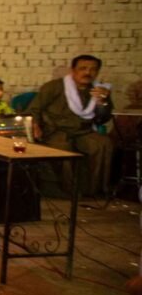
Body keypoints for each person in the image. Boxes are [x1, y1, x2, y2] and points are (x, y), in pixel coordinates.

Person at [28, 54, 114, 197]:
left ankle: (92, 191)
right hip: (55, 131)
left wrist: (103, 103)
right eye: (83, 68)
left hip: (83, 131)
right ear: (73, 70)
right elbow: (34, 109)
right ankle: (66, 192)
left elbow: (102, 119)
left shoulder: (98, 91)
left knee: (103, 144)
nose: (87, 73)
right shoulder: (54, 86)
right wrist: (35, 125)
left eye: (93, 69)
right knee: (63, 149)